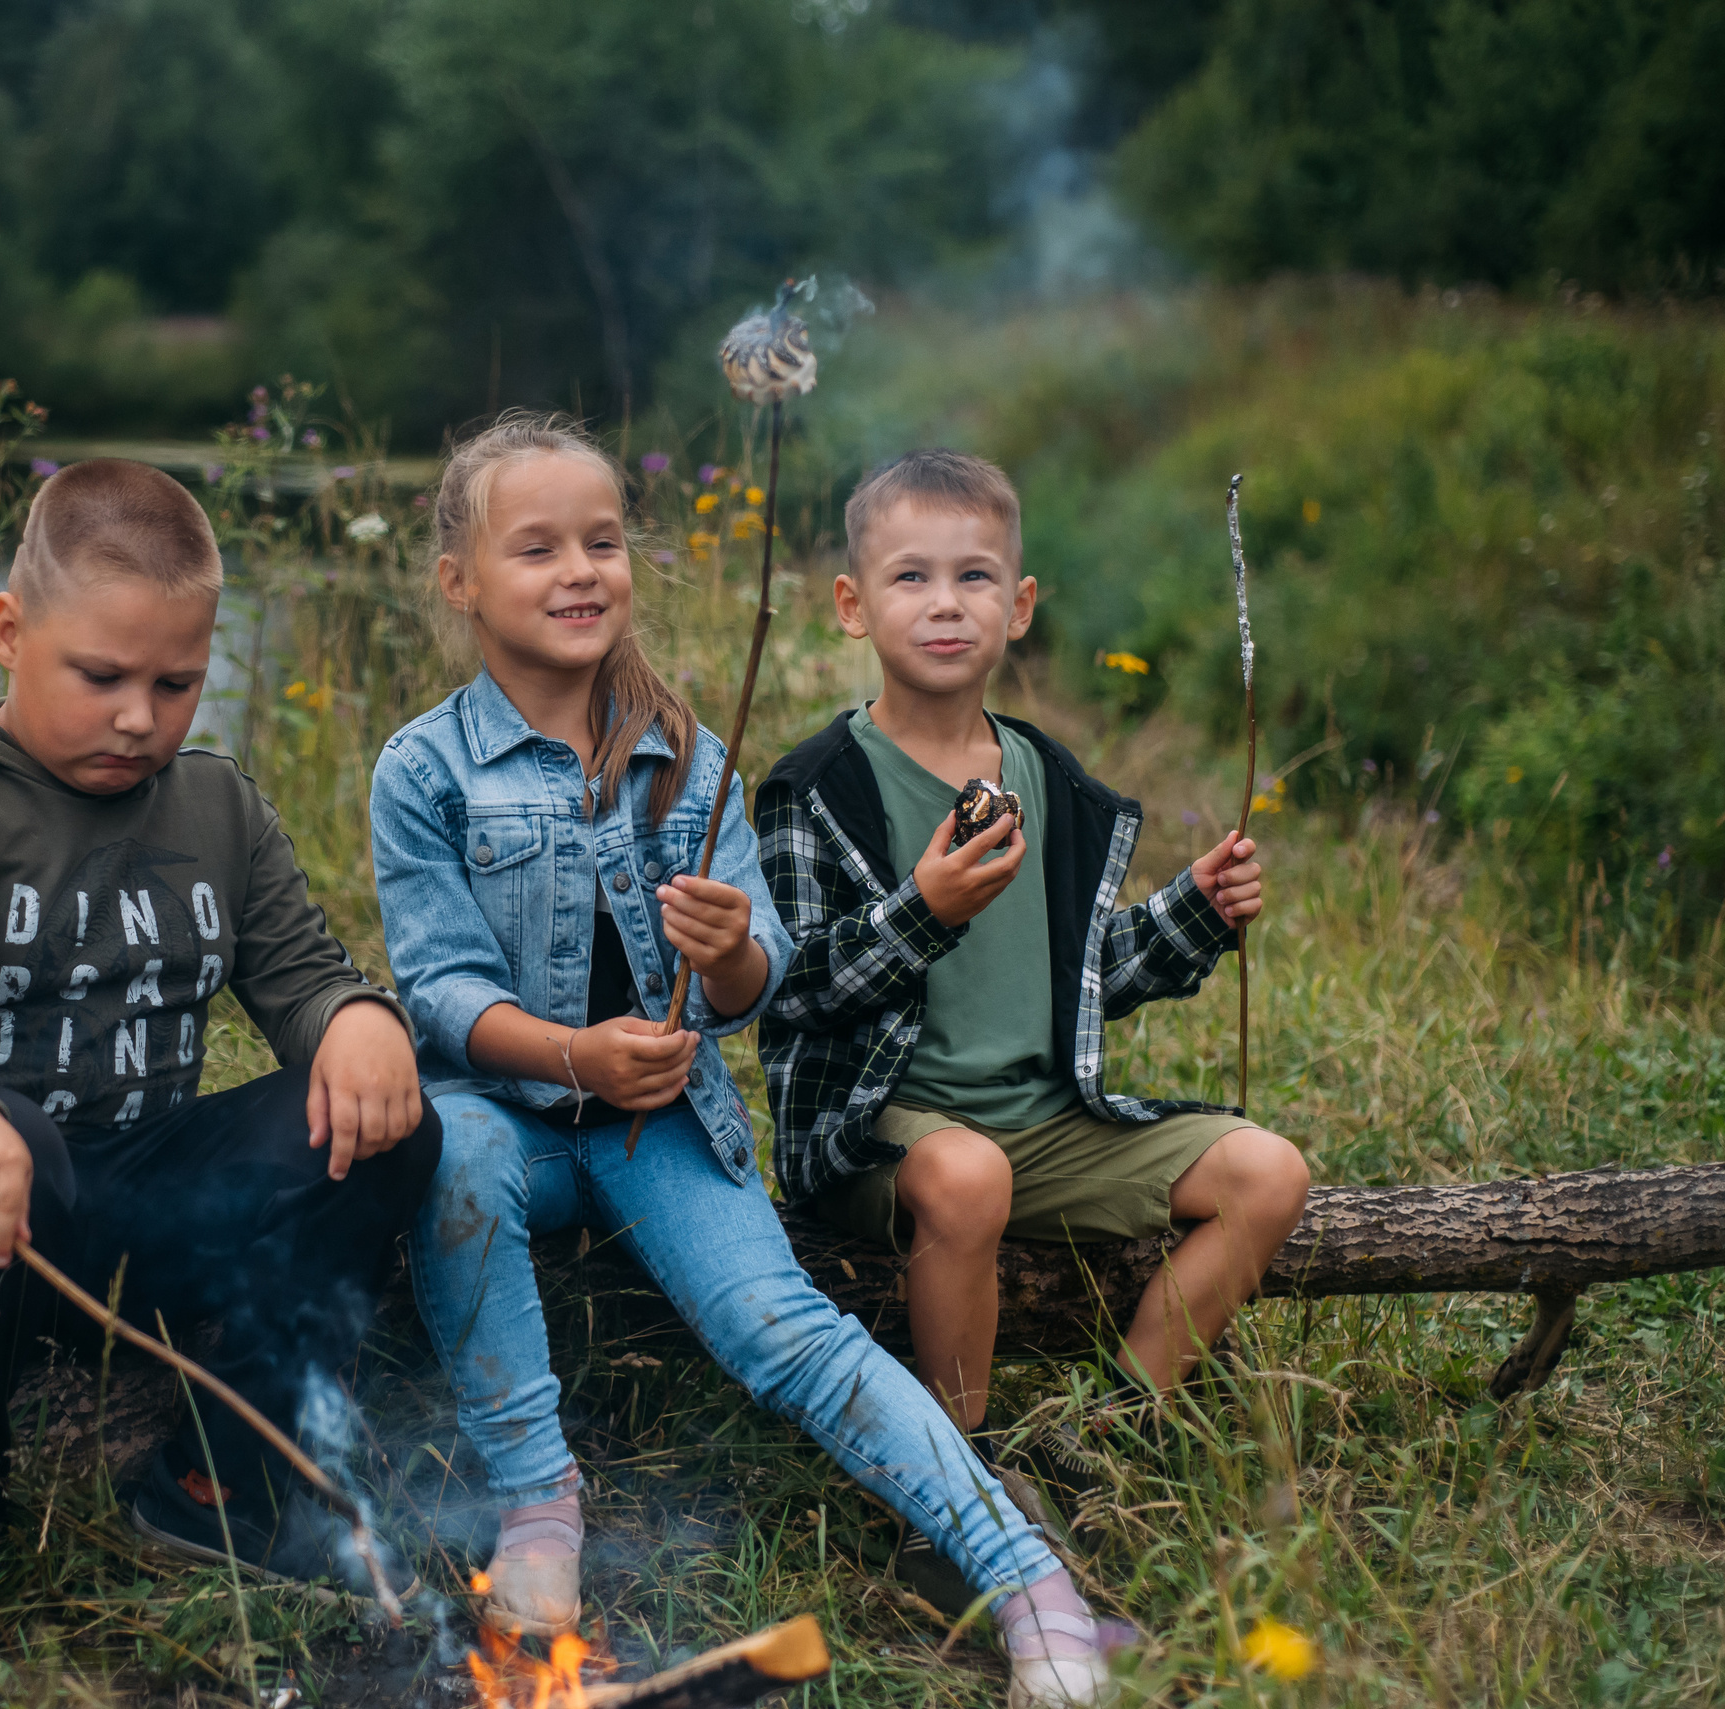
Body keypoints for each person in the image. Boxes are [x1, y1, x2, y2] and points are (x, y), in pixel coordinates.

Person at [372, 414, 1118, 1708]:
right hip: (513, 1114)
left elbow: (760, 970)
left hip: (662, 1131)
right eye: (536, 547)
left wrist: (722, 959)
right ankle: (540, 1501)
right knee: (460, 1155)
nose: (579, 570)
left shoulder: (684, 757)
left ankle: (1025, 1574)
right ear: (460, 581)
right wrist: (572, 1054)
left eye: (602, 541)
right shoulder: (425, 768)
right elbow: (437, 995)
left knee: (784, 1331)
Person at [0, 459, 441, 1614]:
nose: (139, 716)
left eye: (176, 682)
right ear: (9, 629)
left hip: (129, 1210)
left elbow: (300, 973)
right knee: (12, 1140)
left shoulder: (217, 806)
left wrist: (356, 1022)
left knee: (387, 1126)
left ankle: (211, 1483)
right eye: (99, 676)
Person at [756, 449, 1311, 1526]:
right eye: (909, 576)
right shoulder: (814, 787)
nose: (943, 603)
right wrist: (925, 908)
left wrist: (1194, 907)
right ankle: (950, 1481)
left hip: (1043, 1123)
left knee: (1267, 1171)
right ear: (851, 606)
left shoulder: (1045, 776)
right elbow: (793, 987)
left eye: (973, 578)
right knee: (965, 1178)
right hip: (880, 1131)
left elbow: (1078, 972)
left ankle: (1096, 1438)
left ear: (1017, 607)